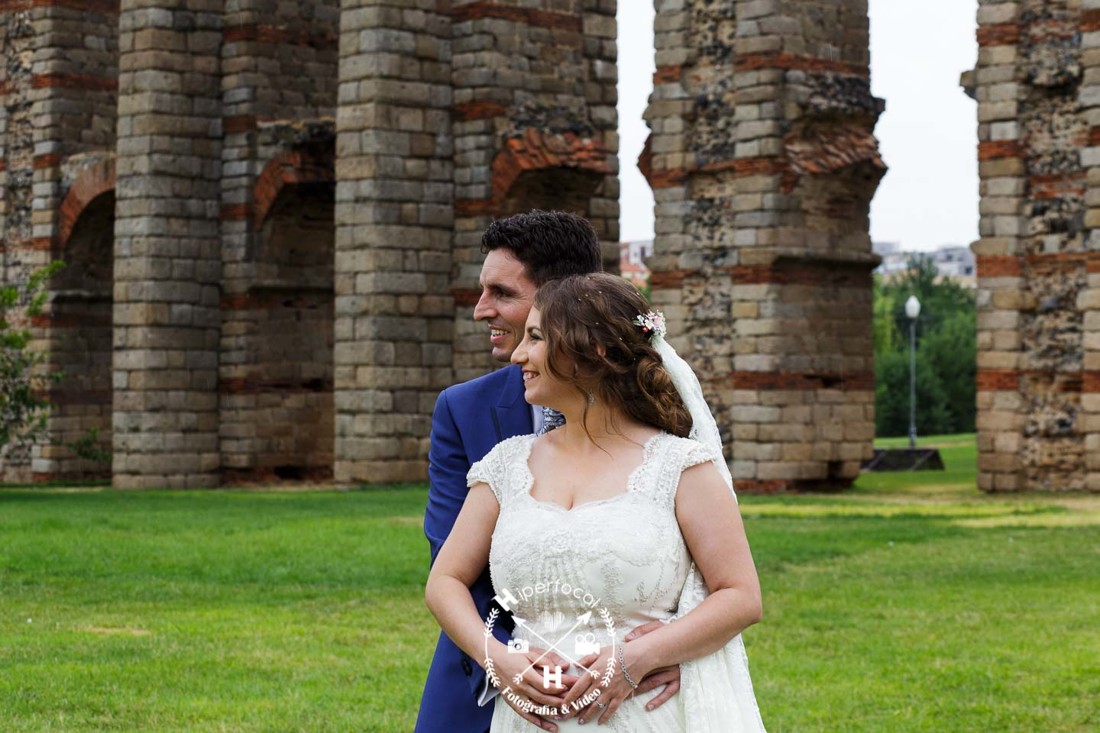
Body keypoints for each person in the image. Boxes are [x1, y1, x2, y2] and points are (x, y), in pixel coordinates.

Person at [425, 273, 767, 732]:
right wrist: (498, 659)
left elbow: (741, 596)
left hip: (641, 712)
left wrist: (638, 657)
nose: (520, 354)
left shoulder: (680, 466)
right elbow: (444, 579)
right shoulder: (506, 464)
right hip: (528, 717)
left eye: (536, 337)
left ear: (594, 351)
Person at [416, 212, 682, 733]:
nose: (480, 310)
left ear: (566, 302)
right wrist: (515, 663)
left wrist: (662, 644)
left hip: (635, 684)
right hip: (489, 673)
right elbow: (452, 565)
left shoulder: (660, 408)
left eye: (501, 293)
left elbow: (708, 564)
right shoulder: (463, 411)